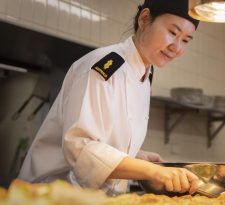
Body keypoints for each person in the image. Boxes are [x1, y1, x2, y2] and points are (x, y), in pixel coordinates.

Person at [18, 0, 200, 195]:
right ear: (144, 18)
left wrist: (137, 157)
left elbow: (103, 142)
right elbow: (80, 147)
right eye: (173, 33)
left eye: (186, 40)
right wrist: (152, 172)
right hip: (49, 195)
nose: (176, 47)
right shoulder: (105, 65)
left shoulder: (145, 76)